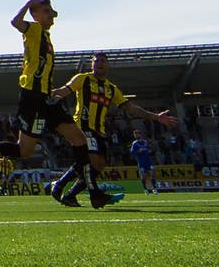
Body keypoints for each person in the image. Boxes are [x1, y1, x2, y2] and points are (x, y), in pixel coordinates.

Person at [0, 0, 93, 205]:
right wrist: (29, 4)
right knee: (24, 150)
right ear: (35, 15)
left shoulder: (45, 35)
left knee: (79, 139)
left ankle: (86, 189)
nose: (51, 17)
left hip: (45, 98)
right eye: (47, 12)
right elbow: (15, 22)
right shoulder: (34, 29)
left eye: (51, 13)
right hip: (33, 98)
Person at [51, 52, 176, 208]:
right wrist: (49, 95)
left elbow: (131, 108)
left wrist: (155, 117)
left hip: (100, 130)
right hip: (83, 126)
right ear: (92, 64)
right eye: (97, 61)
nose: (100, 64)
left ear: (107, 65)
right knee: (91, 160)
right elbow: (64, 90)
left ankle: (67, 193)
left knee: (99, 165)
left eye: (103, 61)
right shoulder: (83, 79)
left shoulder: (111, 89)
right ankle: (91, 195)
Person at [128, 127, 158, 195]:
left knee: (152, 173)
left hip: (148, 161)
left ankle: (154, 188)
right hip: (141, 162)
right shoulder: (135, 143)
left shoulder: (145, 142)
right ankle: (145, 189)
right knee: (143, 175)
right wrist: (138, 151)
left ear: (140, 134)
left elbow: (149, 149)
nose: (136, 135)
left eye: (137, 134)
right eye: (135, 134)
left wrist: (150, 150)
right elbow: (132, 152)